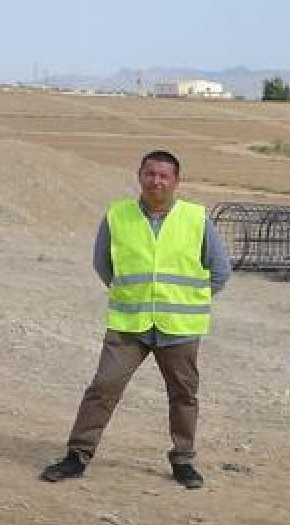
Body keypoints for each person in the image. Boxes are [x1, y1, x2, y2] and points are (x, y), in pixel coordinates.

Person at [40, 150, 230, 489]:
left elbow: (220, 270)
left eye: (164, 175)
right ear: (140, 176)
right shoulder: (117, 216)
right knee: (103, 387)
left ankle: (183, 460)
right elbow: (103, 265)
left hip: (179, 327)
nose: (156, 181)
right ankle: (77, 455)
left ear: (176, 181)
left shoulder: (196, 218)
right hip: (129, 324)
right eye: (150, 173)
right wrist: (130, 294)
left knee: (184, 395)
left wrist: (191, 299)